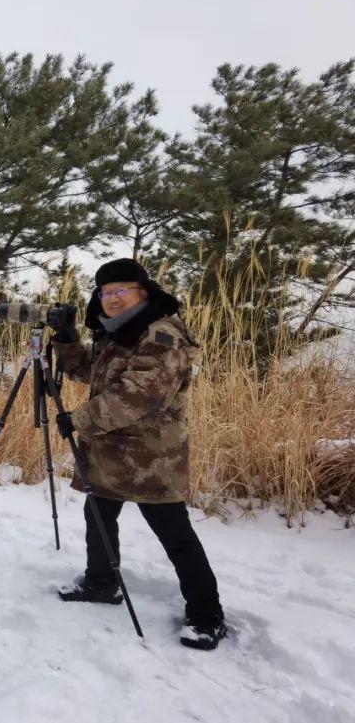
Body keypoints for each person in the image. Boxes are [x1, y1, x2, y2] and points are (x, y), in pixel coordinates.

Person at [49, 258, 226, 651]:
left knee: (174, 533)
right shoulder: (119, 332)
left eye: (119, 290)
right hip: (111, 449)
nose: (110, 298)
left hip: (151, 456)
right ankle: (101, 582)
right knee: (98, 515)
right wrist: (66, 338)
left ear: (142, 292)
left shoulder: (161, 335)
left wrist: (78, 418)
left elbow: (139, 394)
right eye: (104, 292)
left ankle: (206, 614)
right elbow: (89, 373)